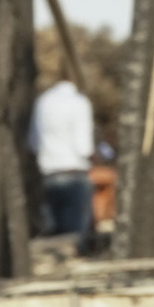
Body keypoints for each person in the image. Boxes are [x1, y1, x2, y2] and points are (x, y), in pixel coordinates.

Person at [33, 68, 99, 246]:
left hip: (48, 175)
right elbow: (83, 146)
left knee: (55, 234)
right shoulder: (79, 102)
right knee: (75, 236)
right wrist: (97, 159)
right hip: (74, 173)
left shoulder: (42, 102)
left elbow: (33, 142)